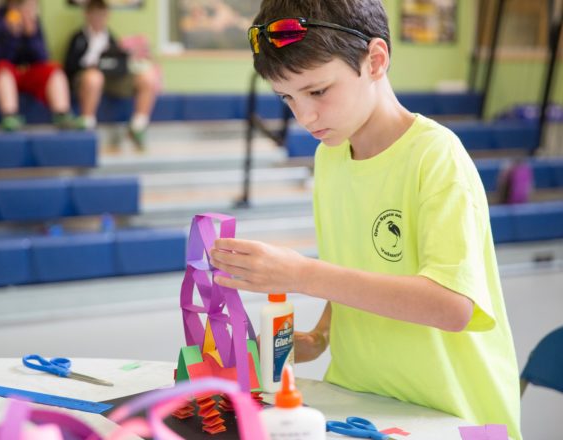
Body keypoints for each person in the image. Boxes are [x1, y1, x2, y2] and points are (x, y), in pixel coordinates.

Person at [209, 1, 522, 438]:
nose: (304, 117)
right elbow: (358, 268)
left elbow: (452, 305)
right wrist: (316, 338)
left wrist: (301, 273)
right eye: (288, 98)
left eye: (318, 92)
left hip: (452, 415)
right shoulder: (331, 157)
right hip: (366, 406)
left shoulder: (435, 156)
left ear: (375, 60)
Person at [64, 0, 159, 150]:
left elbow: (119, 63)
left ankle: (138, 126)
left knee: (148, 76)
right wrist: (90, 66)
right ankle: (87, 123)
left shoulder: (111, 39)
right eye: (95, 15)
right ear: (87, 15)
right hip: (87, 79)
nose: (99, 19)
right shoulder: (78, 38)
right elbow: (69, 67)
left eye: (102, 15)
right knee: (94, 77)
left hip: (112, 78)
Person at [0, 0, 82, 131]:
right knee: (2, 69)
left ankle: (62, 114)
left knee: (54, 70)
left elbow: (43, 58)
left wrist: (31, 36)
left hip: (27, 74)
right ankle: (9, 115)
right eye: (28, 6)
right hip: (2, 74)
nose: (31, 10)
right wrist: (12, 36)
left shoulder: (35, 24)